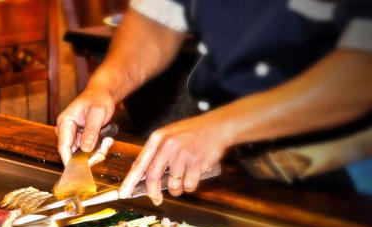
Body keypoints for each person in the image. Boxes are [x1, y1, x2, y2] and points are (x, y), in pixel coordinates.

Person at [56, 0, 372, 205]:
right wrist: (104, 88)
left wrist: (220, 128)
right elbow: (157, 20)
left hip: (350, 171)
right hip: (254, 159)